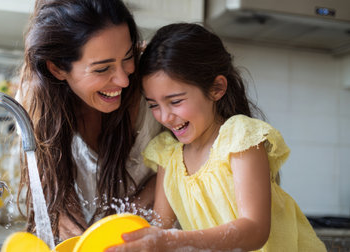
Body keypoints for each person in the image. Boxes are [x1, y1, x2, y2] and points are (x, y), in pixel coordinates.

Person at [107, 23, 326, 251]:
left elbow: (254, 230)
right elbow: (160, 227)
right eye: (153, 105)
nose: (164, 116)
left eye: (175, 101)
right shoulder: (167, 155)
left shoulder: (239, 140)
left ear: (216, 88)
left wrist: (172, 241)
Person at [17, 0, 162, 242]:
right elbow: (51, 188)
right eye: (102, 69)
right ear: (57, 69)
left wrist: (122, 224)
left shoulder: (157, 83)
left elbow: (193, 157)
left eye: (128, 56)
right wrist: (75, 227)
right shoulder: (35, 104)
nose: (124, 80)